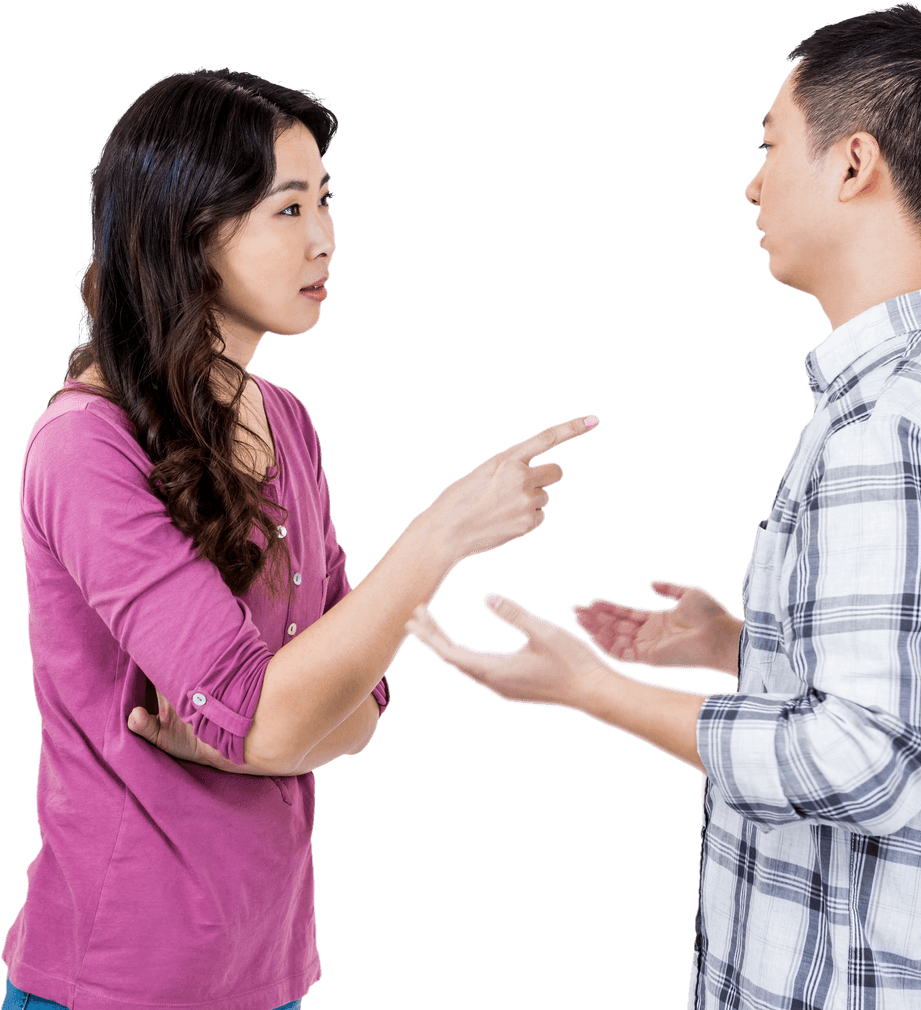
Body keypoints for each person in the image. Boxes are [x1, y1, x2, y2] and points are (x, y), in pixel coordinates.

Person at [405, 4, 921, 1007]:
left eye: (770, 146)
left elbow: (864, 763)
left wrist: (590, 689)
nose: (753, 184)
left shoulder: (886, 425)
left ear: (854, 164)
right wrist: (747, 647)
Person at [1, 67, 598, 1010]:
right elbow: (279, 711)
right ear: (190, 232)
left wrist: (250, 738)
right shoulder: (85, 446)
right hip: (117, 979)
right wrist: (438, 536)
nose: (325, 238)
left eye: (325, 200)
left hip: (269, 967)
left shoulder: (286, 420)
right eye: (287, 209)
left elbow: (357, 708)